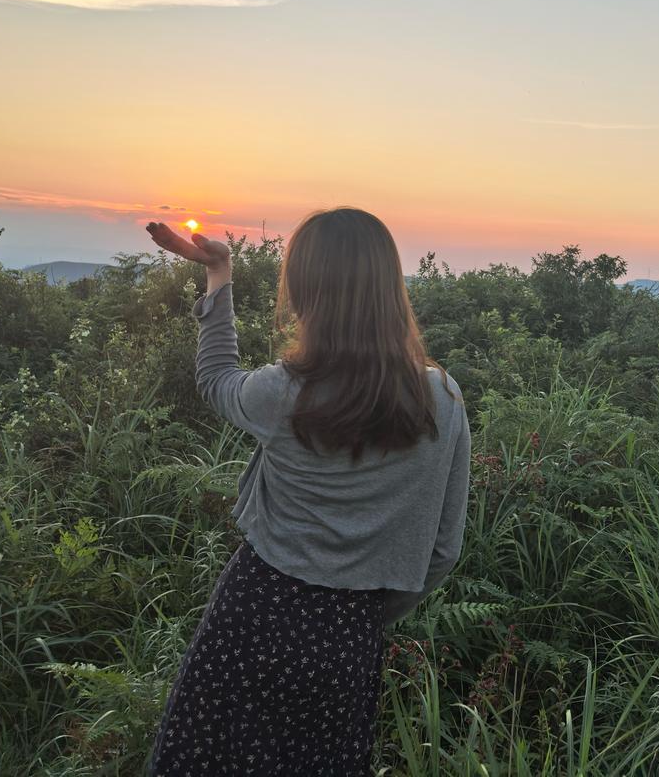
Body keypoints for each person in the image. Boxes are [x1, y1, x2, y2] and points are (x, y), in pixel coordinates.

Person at [145, 207, 471, 776]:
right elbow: (442, 551)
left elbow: (216, 378)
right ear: (391, 288)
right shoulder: (441, 401)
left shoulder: (284, 392)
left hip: (254, 612)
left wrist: (220, 275)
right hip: (350, 633)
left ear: (303, 289)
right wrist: (361, 610)